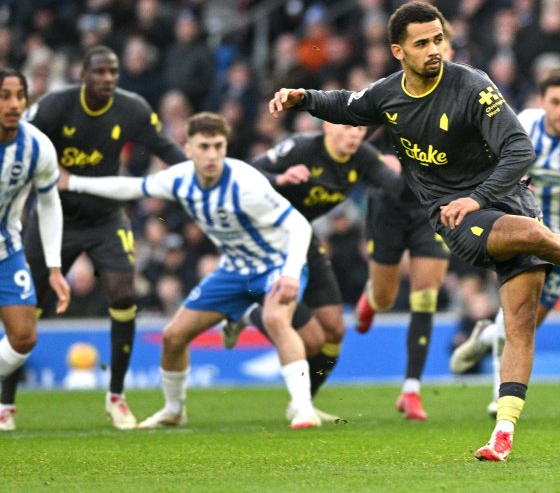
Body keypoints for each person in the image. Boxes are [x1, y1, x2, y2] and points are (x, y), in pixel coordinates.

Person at [269, 1, 560, 461]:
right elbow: (346, 105)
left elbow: (519, 149)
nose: (433, 50)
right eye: (421, 43)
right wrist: (301, 97)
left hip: (500, 200)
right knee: (528, 234)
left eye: (438, 39)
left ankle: (502, 433)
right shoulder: (388, 95)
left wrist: (480, 197)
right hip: (456, 218)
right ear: (397, 51)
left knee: (520, 323)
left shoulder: (471, 85)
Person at [60, 112, 321, 430]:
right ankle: (173, 410)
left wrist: (291, 272)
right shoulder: (179, 179)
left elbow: (298, 225)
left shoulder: (245, 182)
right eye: (204, 147)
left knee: (275, 319)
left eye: (218, 146)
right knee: (172, 337)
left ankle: (304, 409)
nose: (212, 154)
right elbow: (132, 187)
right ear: (188, 148)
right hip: (234, 270)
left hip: (276, 265)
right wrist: (73, 182)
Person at [4, 45, 187, 430]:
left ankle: (116, 397)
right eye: (99, 72)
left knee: (124, 295)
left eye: (113, 72)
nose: (107, 79)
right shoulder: (55, 107)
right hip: (56, 218)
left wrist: (197, 174)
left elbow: (166, 148)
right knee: (28, 314)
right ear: (82, 74)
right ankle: (6, 405)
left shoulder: (132, 108)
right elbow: (22, 143)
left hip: (106, 217)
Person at [448, 64, 560, 416]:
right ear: (542, 101)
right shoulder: (525, 123)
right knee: (518, 321)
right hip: (525, 231)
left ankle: (485, 337)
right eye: (556, 102)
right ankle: (499, 396)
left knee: (528, 323)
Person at [222, 120, 405, 421]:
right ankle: (245, 314)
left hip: (302, 237)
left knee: (334, 329)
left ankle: (303, 402)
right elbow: (245, 175)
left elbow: (396, 187)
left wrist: (411, 174)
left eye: (360, 131)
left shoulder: (363, 156)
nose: (354, 136)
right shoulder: (302, 147)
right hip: (268, 239)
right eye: (347, 129)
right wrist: (280, 178)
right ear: (329, 127)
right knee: (312, 341)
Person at [352, 20, 458, 422]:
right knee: (385, 296)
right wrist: (381, 163)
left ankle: (411, 389)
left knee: (426, 293)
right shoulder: (394, 96)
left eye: (440, 45)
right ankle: (371, 297)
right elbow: (360, 146)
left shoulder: (462, 96)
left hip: (431, 207)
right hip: (390, 204)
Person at [0, 68, 71, 431]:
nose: (14, 105)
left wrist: (56, 267)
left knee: (24, 336)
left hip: (6, 251)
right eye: (5, 96)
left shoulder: (38, 146)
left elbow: (49, 203)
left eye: (19, 96)